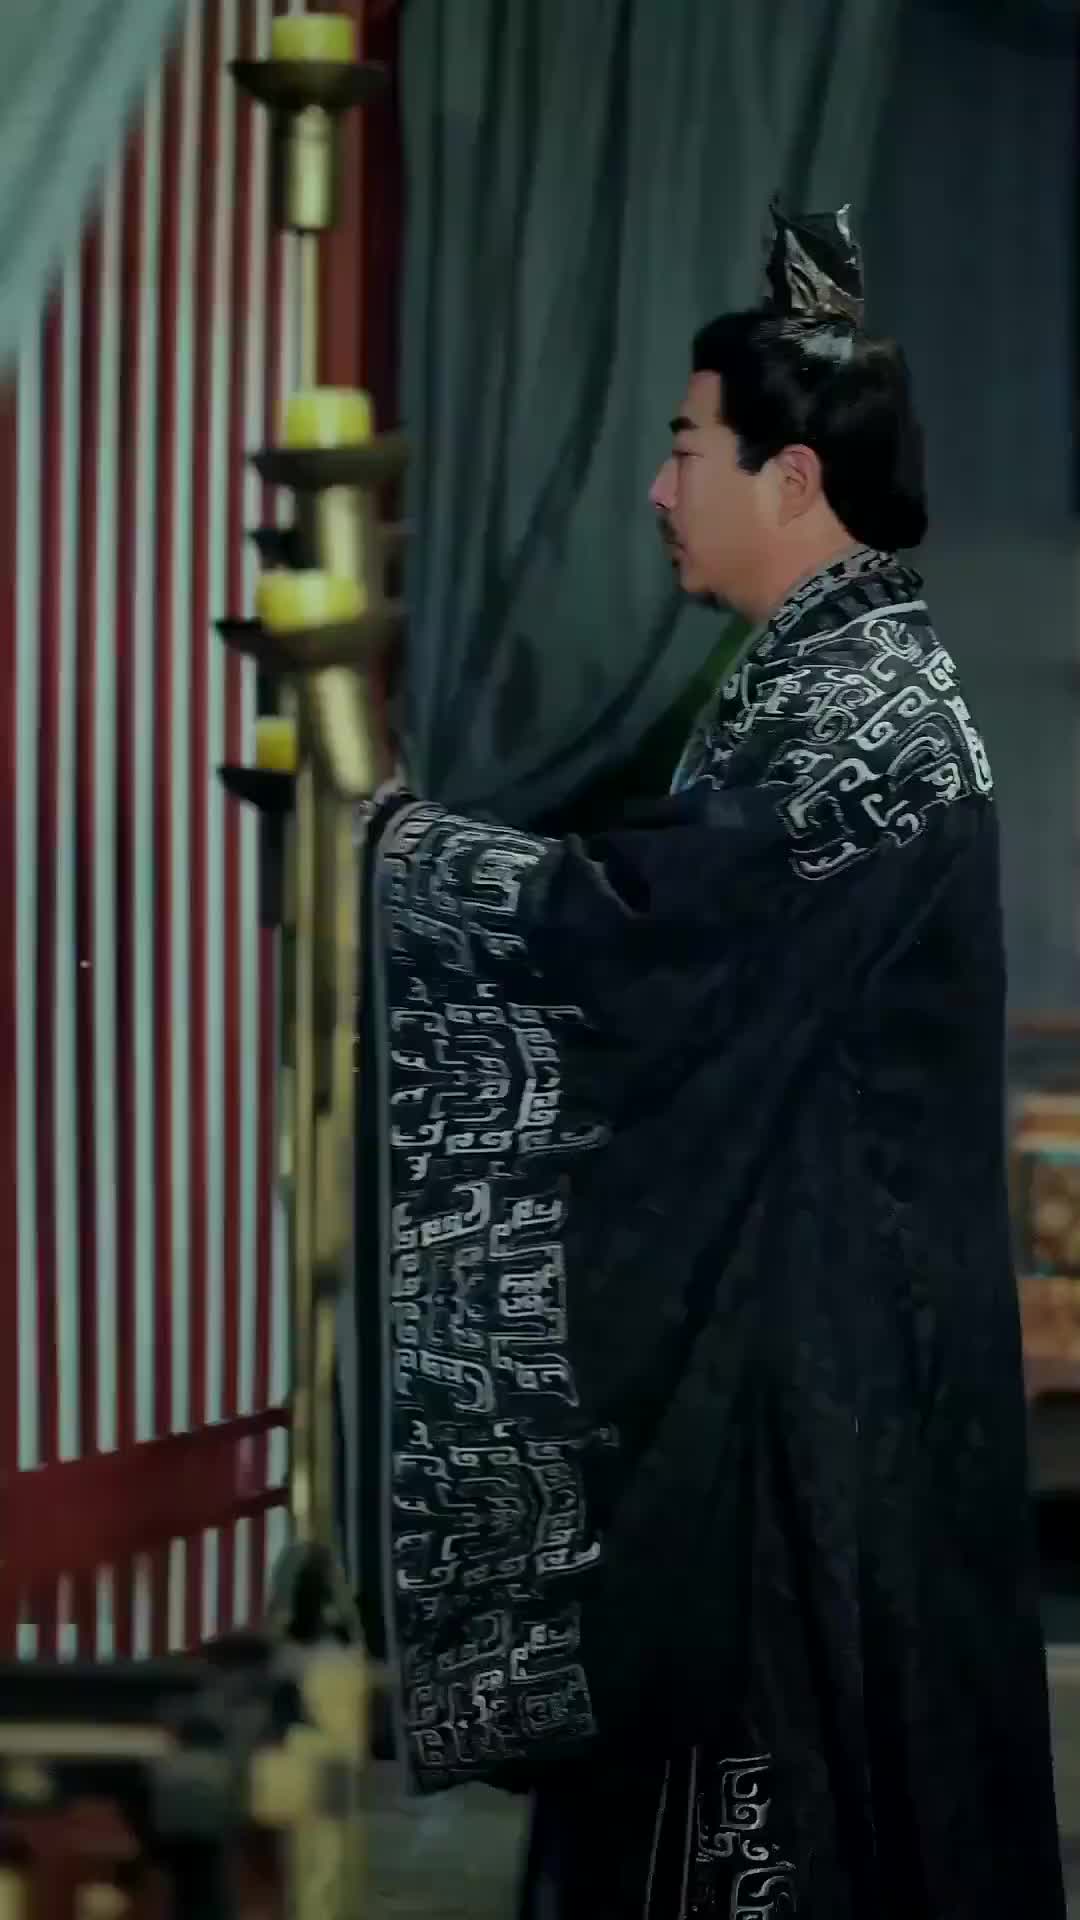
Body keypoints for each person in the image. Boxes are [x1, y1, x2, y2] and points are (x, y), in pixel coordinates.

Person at [351, 207, 1065, 1918]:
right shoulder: (823, 684)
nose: (661, 490)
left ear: (791, 477)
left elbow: (654, 931)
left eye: (686, 449)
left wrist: (395, 854)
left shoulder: (866, 716)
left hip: (825, 1374)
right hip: (812, 1332)